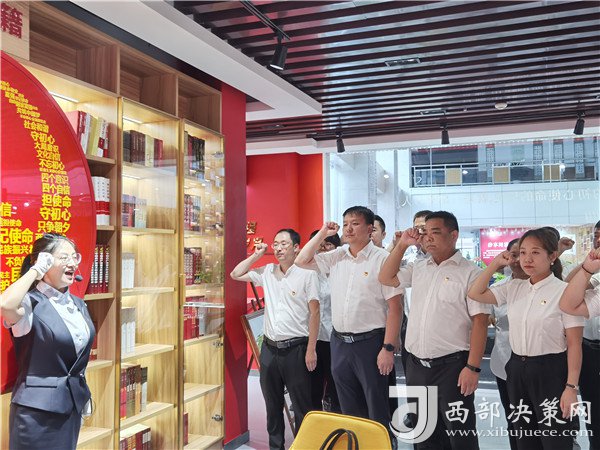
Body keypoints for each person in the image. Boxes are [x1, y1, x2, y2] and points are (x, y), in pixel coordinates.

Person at [379, 211, 490, 450]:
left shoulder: (471, 272)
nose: (428, 238)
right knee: (424, 434)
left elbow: (480, 322)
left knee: (460, 435)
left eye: (435, 232)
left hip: (453, 367)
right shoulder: (419, 267)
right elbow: (386, 277)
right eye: (425, 232)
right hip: (417, 366)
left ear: (454, 235)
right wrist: (402, 245)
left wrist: (473, 367)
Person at [468, 228, 584, 450]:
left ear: (552, 256)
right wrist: (495, 264)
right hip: (517, 368)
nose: (527, 259)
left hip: (551, 370)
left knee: (555, 439)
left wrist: (571, 387)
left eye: (535, 252)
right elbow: (475, 293)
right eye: (523, 253)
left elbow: (574, 343)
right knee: (524, 438)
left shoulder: (565, 291)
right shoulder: (513, 287)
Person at [296, 206, 403, 439]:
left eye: (355, 223)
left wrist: (388, 348)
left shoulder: (383, 259)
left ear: (370, 228)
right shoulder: (337, 255)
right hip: (340, 342)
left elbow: (396, 308)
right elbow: (301, 261)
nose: (348, 228)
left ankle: (382, 444)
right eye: (345, 224)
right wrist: (323, 233)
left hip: (371, 343)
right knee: (348, 407)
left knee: (376, 407)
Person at [0, 233, 96, 450]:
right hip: (36, 415)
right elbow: (5, 304)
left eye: (75, 257)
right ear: (44, 261)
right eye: (64, 257)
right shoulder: (29, 303)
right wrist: (36, 270)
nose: (72, 263)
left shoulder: (79, 304)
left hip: (71, 408)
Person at [230, 228, 320, 450]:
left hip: (297, 349)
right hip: (270, 349)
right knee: (273, 406)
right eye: (276, 244)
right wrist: (257, 255)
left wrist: (311, 349)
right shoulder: (267, 271)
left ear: (296, 247)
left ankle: (304, 446)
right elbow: (235, 274)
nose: (279, 248)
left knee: (302, 406)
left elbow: (315, 313)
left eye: (284, 244)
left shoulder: (307, 275)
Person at [560, 242, 600, 450]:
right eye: (597, 238)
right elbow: (568, 302)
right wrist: (586, 269)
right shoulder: (597, 280)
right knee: (595, 414)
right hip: (592, 350)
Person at [489, 238, 526, 450]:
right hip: (504, 362)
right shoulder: (499, 288)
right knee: (514, 417)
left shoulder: (546, 287)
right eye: (514, 254)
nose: (519, 259)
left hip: (538, 365)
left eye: (524, 253)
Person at [308, 230, 341, 413]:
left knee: (336, 386)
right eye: (319, 245)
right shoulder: (308, 273)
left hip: (335, 339)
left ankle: (336, 421)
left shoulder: (341, 271)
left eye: (328, 244)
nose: (323, 249)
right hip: (312, 339)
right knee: (313, 387)